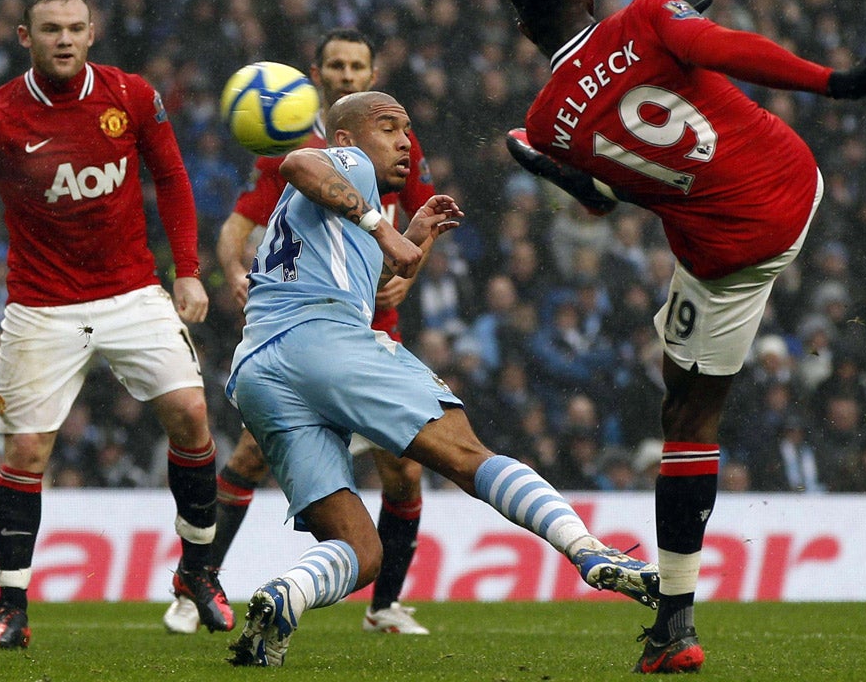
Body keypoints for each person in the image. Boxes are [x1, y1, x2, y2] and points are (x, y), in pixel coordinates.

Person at [504, 0, 866, 674]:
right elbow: (726, 49)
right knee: (684, 390)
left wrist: (566, 176)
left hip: (732, 252)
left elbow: (610, 183)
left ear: (523, 32)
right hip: (792, 180)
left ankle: (675, 625)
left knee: (687, 418)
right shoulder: (648, 13)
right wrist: (836, 81)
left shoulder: (545, 122)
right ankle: (674, 617)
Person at [224, 91, 659, 667]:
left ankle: (285, 596)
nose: (405, 141)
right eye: (388, 127)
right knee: (469, 457)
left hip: (259, 371)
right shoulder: (347, 164)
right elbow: (299, 162)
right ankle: (589, 549)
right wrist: (383, 228)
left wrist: (415, 233)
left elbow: (369, 275)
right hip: (324, 339)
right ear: (346, 139)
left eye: (407, 129)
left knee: (359, 550)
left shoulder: (328, 211)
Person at [0, 0, 235, 650]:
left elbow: (172, 178)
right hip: (41, 306)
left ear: (92, 33)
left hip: (132, 293)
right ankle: (11, 609)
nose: (63, 39)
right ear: (25, 38)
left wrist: (186, 269)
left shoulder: (131, 96)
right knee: (26, 451)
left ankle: (197, 570)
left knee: (191, 412)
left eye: (74, 27)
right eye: (50, 29)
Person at [164, 28, 438, 636]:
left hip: (374, 331)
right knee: (250, 455)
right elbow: (236, 227)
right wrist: (235, 271)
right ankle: (196, 583)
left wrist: (407, 278)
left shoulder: (398, 146)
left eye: (356, 66)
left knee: (404, 470)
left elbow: (416, 226)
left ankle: (384, 605)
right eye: (335, 65)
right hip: (307, 330)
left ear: (372, 74)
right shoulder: (289, 148)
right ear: (316, 75)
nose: (346, 74)